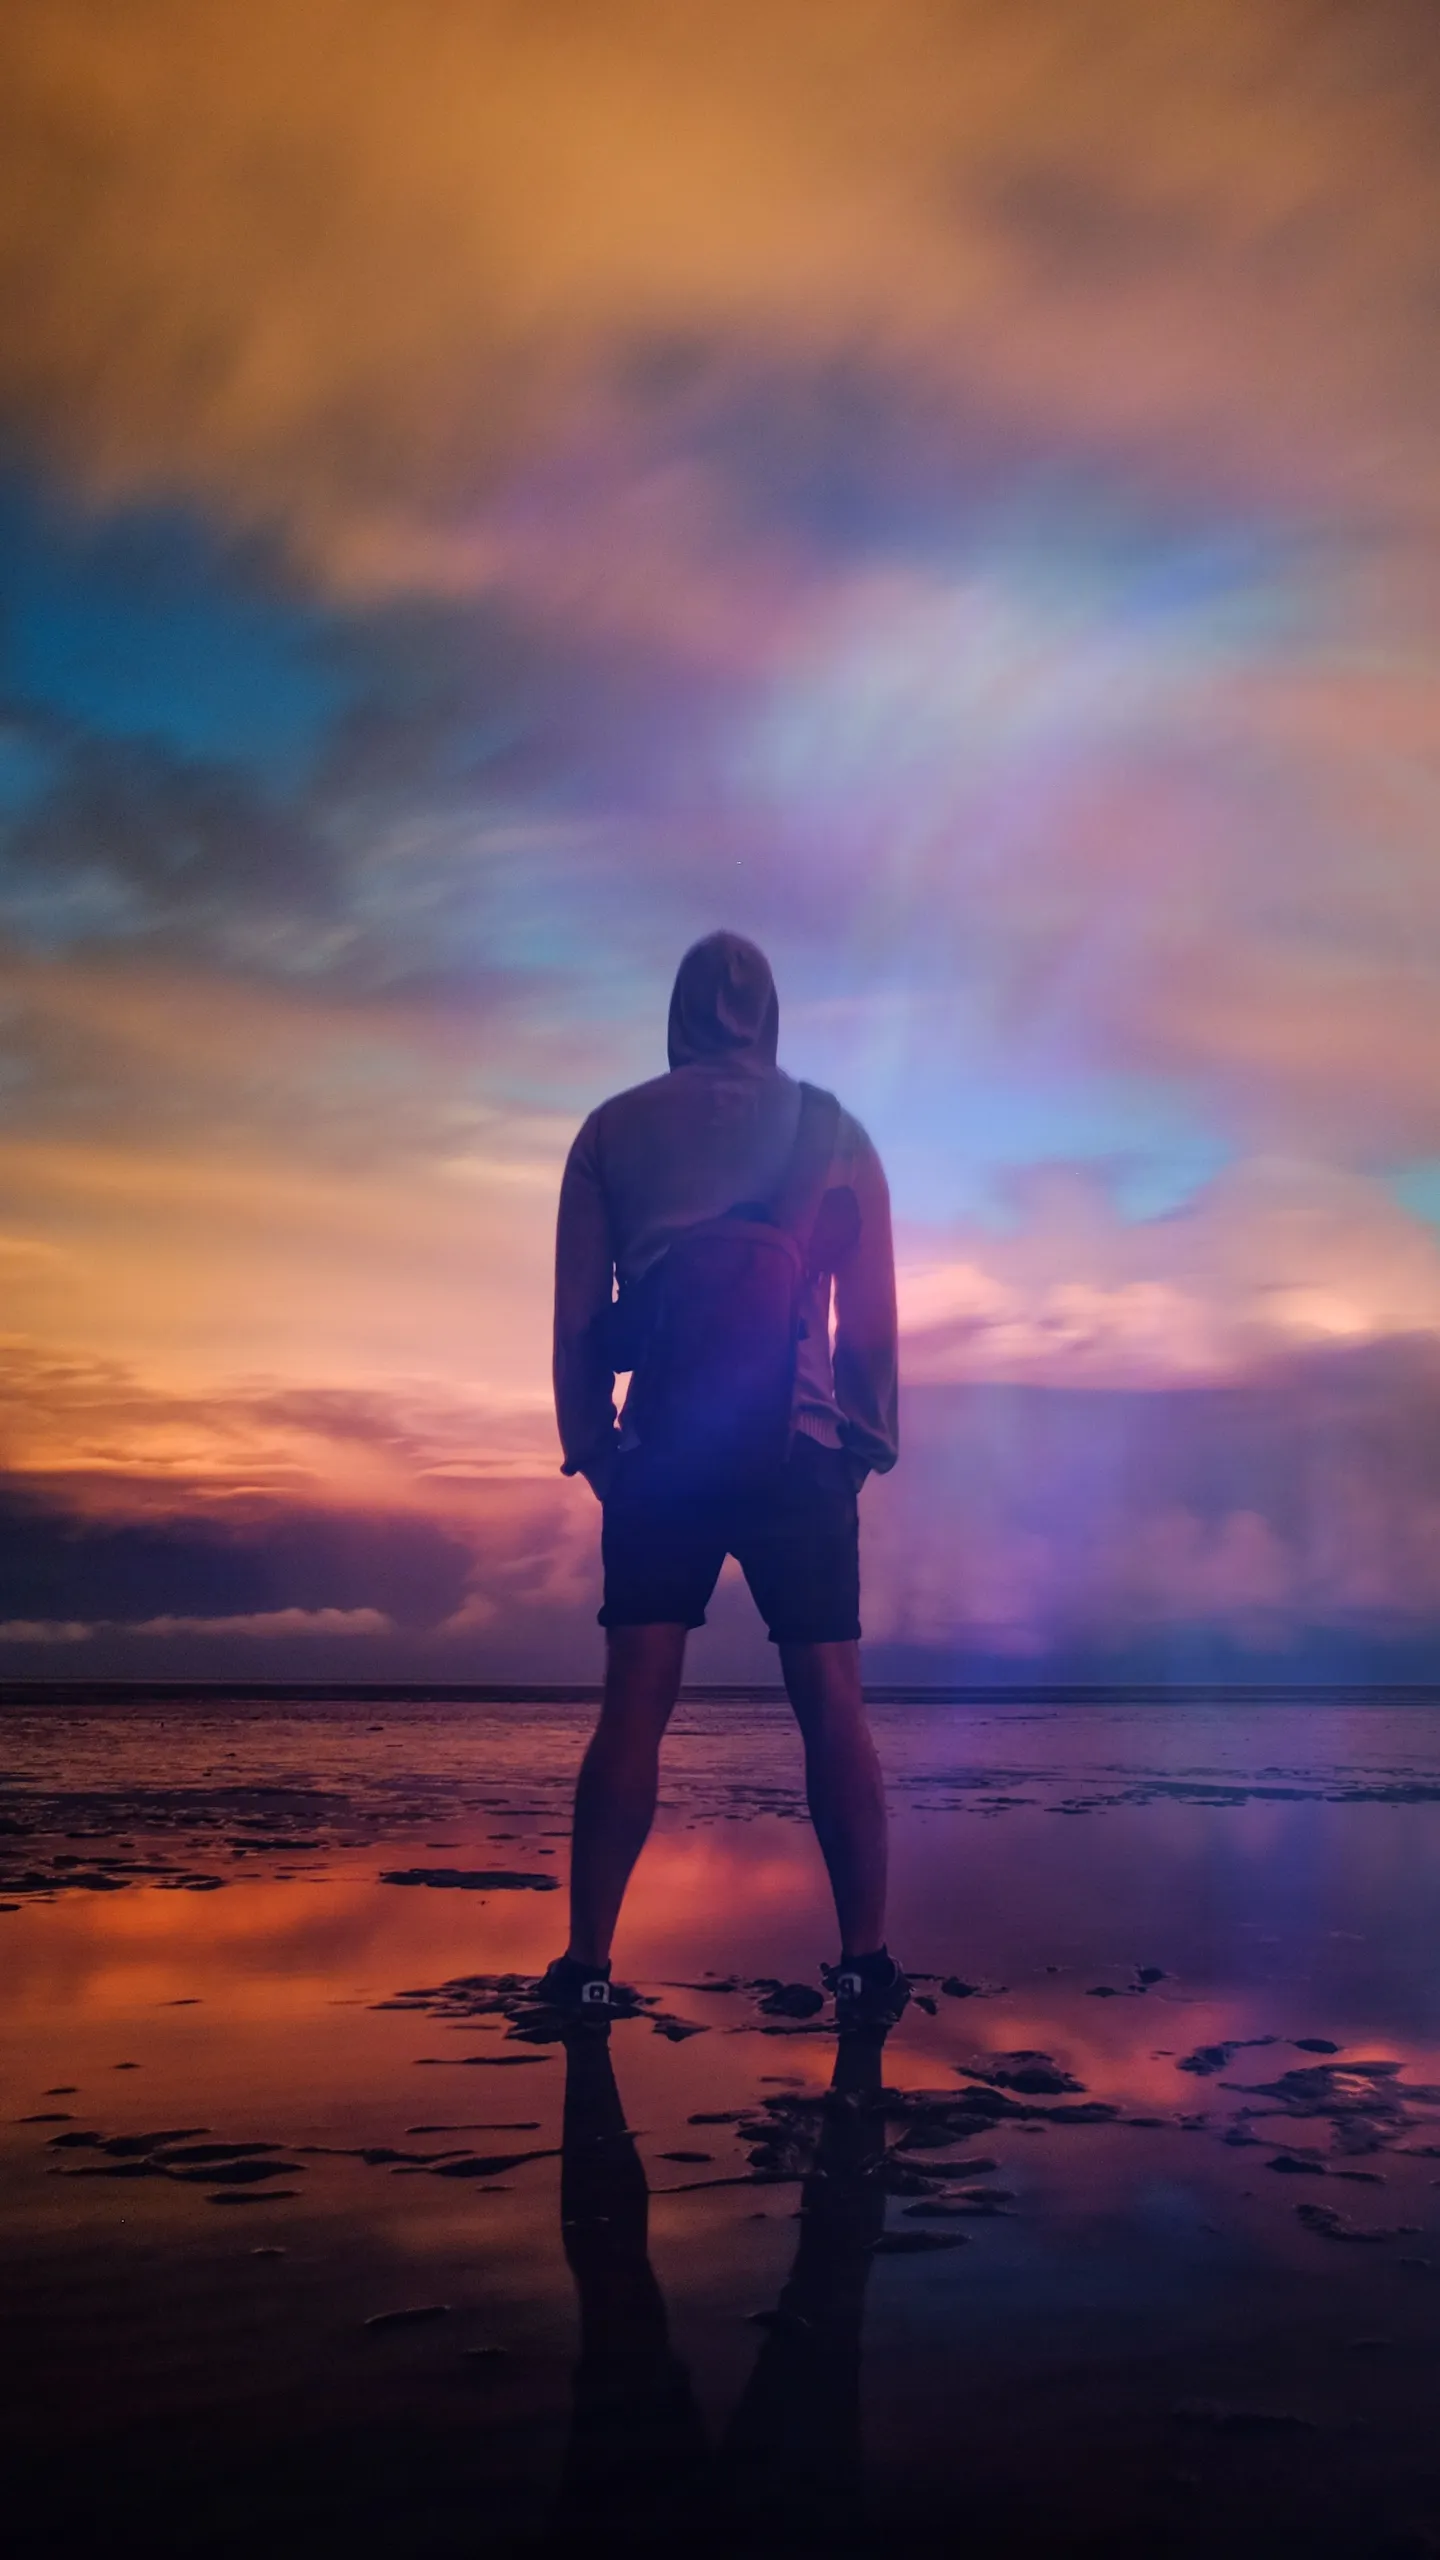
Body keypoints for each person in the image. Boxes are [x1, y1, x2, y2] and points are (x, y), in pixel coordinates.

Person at [542, 930, 904, 2032]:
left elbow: (575, 1319)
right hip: (799, 1452)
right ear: (774, 1014)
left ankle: (591, 1966)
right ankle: (862, 1964)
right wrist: (863, 1442)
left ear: (678, 1011)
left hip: (663, 1455)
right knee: (830, 1705)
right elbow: (871, 1316)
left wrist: (596, 1447)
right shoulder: (835, 1131)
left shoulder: (611, 1130)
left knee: (634, 1709)